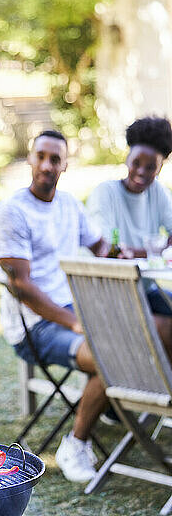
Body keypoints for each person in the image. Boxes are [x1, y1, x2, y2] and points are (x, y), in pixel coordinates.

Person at [0, 130, 109, 483]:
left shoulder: (69, 204)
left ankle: (115, 407)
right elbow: (21, 286)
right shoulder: (10, 212)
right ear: (30, 159)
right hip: (34, 327)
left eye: (55, 158)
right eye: (40, 156)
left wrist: (135, 254)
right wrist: (74, 323)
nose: (46, 164)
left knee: (148, 329)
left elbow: (101, 247)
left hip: (75, 311)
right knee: (110, 356)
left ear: (65, 165)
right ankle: (76, 442)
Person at [87, 115, 172, 362]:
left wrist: (136, 252)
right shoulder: (106, 193)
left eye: (151, 167)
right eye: (136, 162)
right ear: (127, 157)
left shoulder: (158, 192)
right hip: (112, 293)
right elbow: (108, 251)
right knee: (167, 328)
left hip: (146, 288)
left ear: (161, 166)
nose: (141, 172)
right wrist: (156, 250)